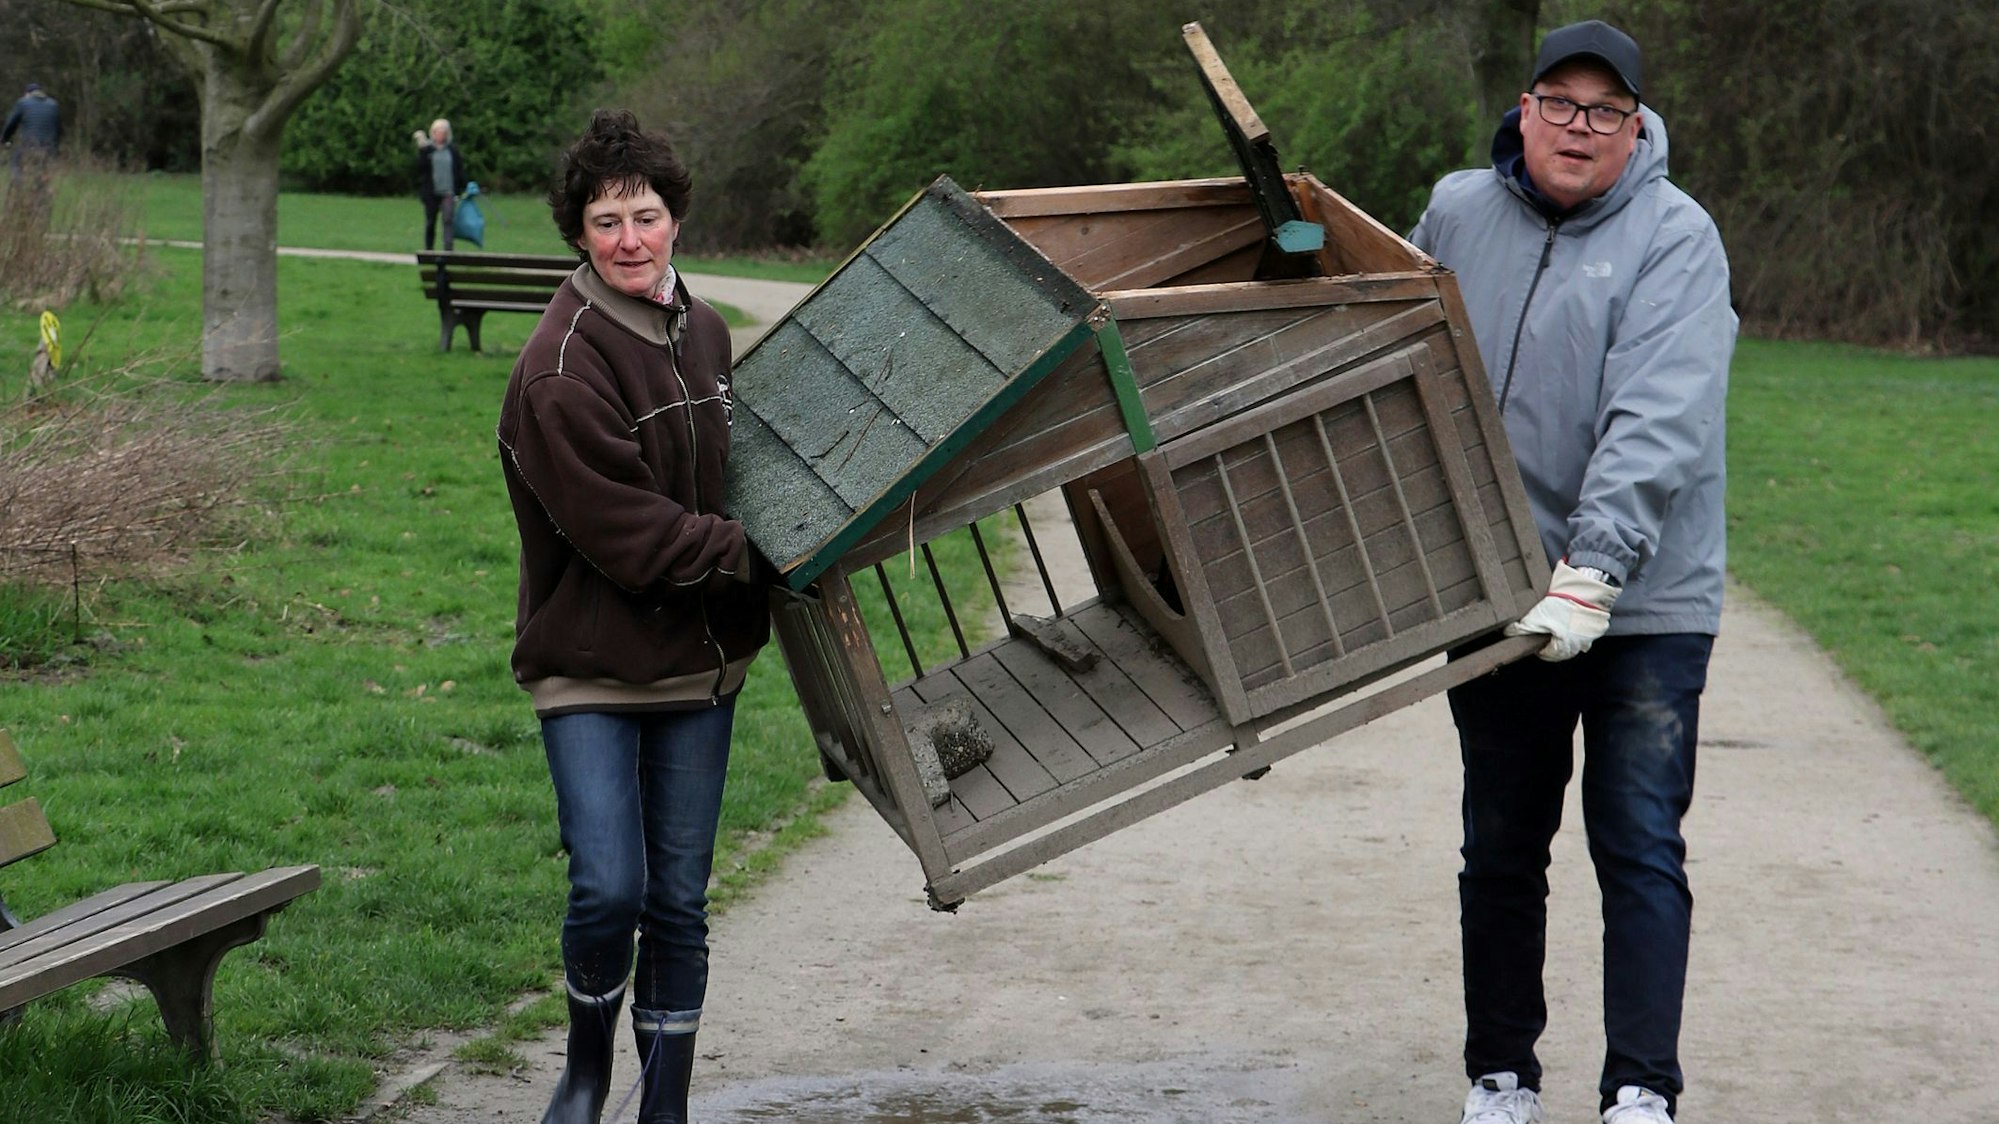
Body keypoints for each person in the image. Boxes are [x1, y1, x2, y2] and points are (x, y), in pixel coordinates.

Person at [1407, 19, 1736, 1124]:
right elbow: (1398, 354)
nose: (1577, 128)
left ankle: (1640, 1085)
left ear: (1633, 126)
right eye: (1559, 103)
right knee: (1499, 841)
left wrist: (1591, 572)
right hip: (1495, 592)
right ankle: (1500, 1073)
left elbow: (1659, 414)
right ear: (1522, 106)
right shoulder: (1456, 210)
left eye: (1602, 111)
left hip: (1641, 602)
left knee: (1637, 840)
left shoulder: (1674, 235)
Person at [496, 109, 773, 1124]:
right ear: (577, 231)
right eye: (605, 220)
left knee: (677, 903)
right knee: (611, 886)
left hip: (699, 667)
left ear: (674, 219)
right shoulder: (560, 369)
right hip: (591, 670)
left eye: (644, 216)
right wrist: (763, 556)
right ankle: (581, 1076)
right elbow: (636, 540)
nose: (627, 238)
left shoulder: (700, 327)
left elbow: (733, 472)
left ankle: (665, 1106)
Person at [415, 117, 467, 250]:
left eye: (443, 132)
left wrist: (462, 187)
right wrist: (422, 151)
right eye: (438, 132)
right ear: (433, 133)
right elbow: (419, 169)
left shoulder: (452, 150)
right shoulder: (428, 150)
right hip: (431, 193)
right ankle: (429, 250)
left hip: (448, 191)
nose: (440, 135)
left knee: (448, 221)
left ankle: (448, 251)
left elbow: (459, 169)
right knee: (431, 222)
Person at [2, 82, 61, 183]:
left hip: (29, 146)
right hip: (49, 148)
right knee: (41, 173)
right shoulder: (54, 104)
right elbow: (58, 128)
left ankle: (18, 185)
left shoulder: (23, 102)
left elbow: (11, 124)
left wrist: (4, 139)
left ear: (27, 93)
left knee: (15, 162)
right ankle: (39, 193)